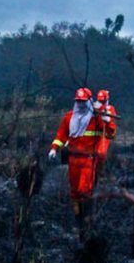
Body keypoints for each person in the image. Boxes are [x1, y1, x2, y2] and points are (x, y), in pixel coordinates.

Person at [48, 87, 116, 240]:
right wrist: (54, 148)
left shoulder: (96, 117)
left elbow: (110, 134)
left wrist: (108, 121)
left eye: (83, 101)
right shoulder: (69, 117)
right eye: (78, 101)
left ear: (89, 101)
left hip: (88, 160)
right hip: (73, 160)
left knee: (84, 190)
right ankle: (78, 222)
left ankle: (86, 223)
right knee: (74, 192)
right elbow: (61, 135)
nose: (80, 104)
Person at [93, 89, 117, 171]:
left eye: (103, 101)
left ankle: (99, 170)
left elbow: (112, 125)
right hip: (93, 134)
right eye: (100, 101)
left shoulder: (110, 109)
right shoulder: (93, 107)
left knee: (101, 153)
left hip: (104, 134)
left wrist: (108, 119)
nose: (102, 103)